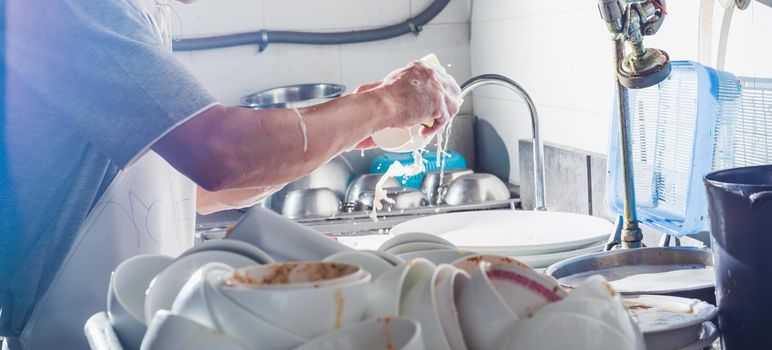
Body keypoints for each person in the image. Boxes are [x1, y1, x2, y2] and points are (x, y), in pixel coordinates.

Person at [1, 0, 461, 348]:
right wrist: (386, 103)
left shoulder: (136, 13)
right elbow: (220, 153)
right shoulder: (71, 8)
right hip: (69, 332)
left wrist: (349, 127)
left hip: (126, 327)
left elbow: (193, 189)